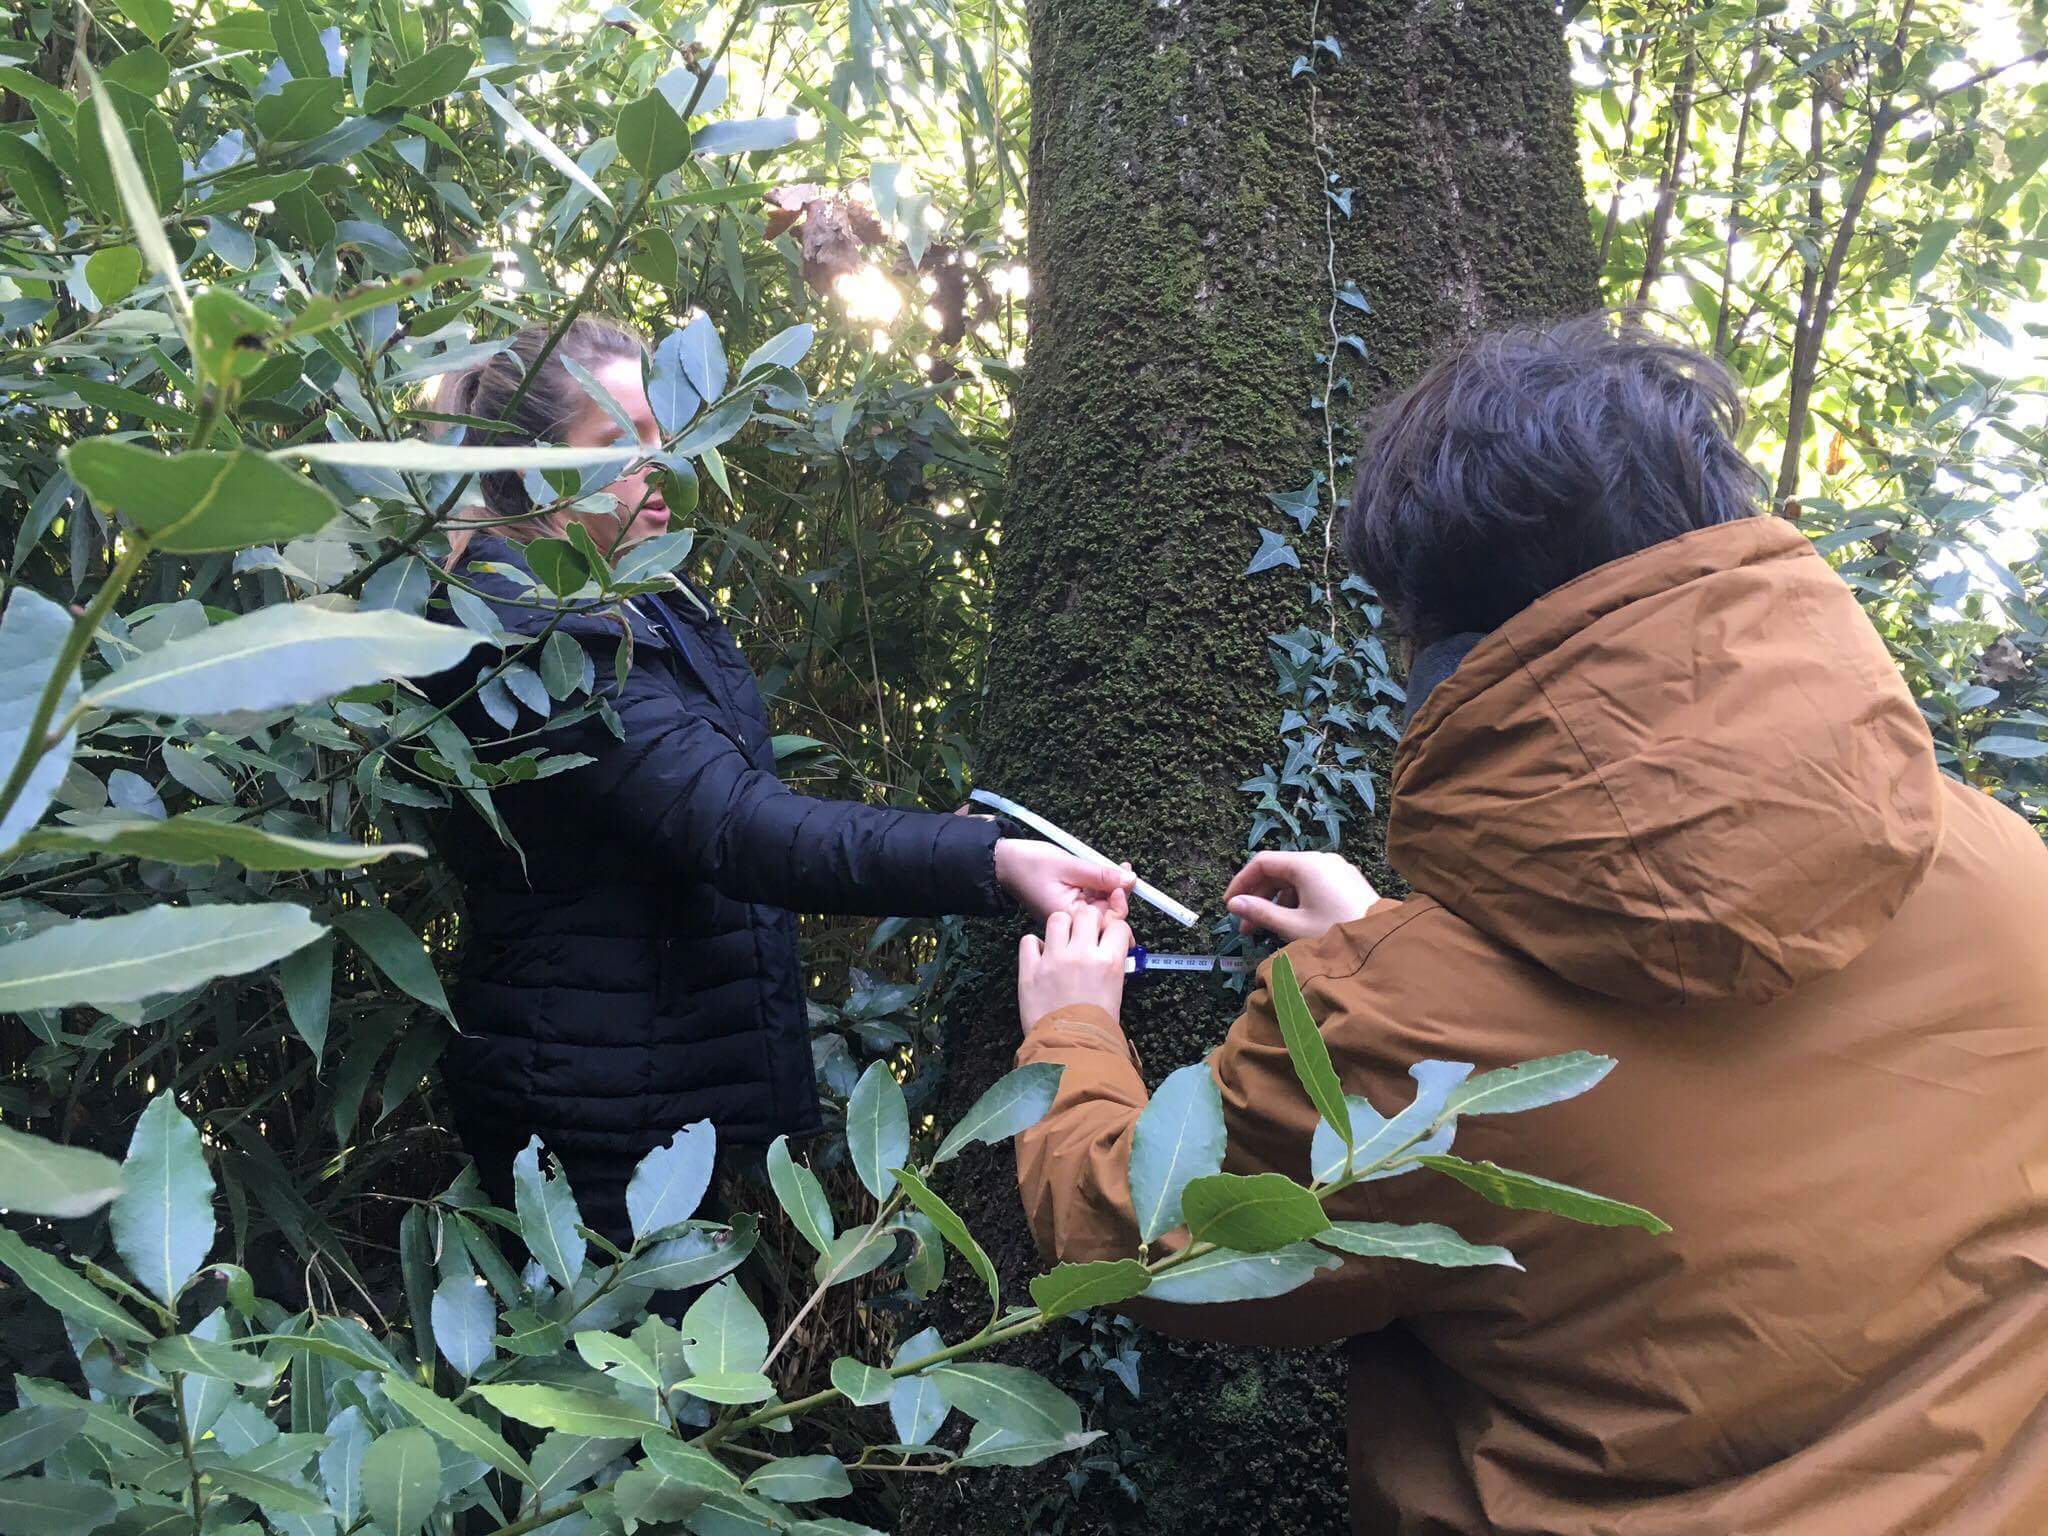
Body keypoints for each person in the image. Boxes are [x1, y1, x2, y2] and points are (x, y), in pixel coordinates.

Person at [1010, 316, 2048, 1534]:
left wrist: (1073, 1034)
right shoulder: (1990, 853)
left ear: (1436, 638)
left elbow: (1162, 1250)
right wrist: (1415, 949)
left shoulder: (1398, 1025)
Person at [419, 316, 1129, 1242]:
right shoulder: (526, 628)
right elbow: (741, 828)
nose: (661, 468)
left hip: (652, 1083)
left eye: (664, 437)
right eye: (618, 445)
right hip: (586, 1108)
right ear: (531, 468)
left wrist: (943, 838)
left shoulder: (646, 602)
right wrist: (987, 862)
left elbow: (706, 801)